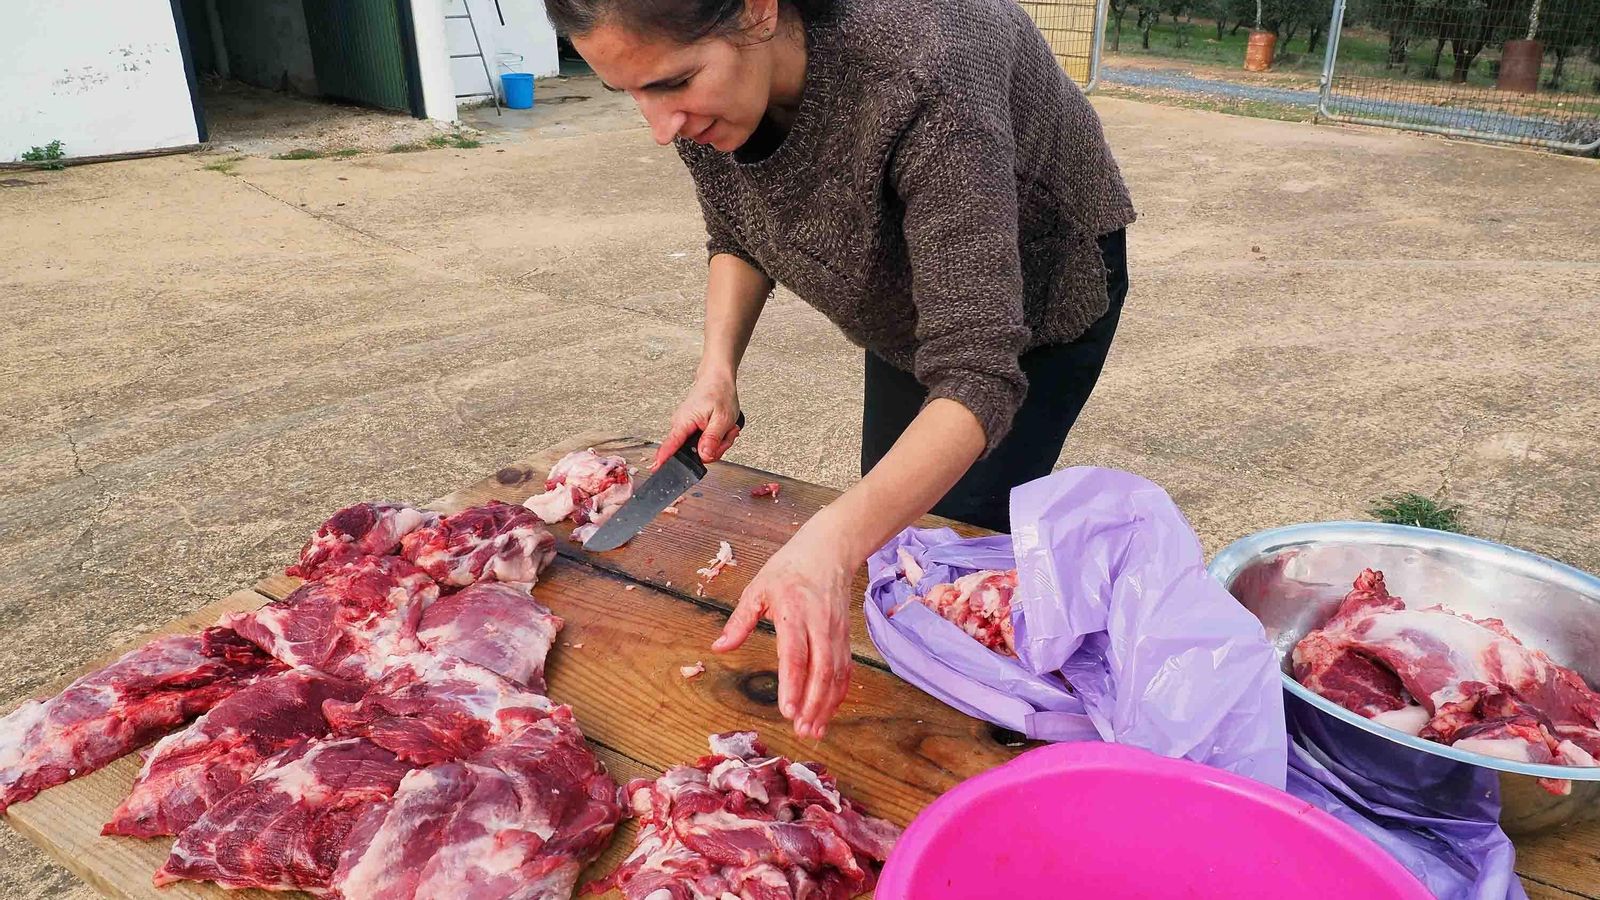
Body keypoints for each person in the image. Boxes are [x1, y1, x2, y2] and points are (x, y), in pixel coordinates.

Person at [547, 0, 1135, 740]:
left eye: (672, 84)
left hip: (1042, 287)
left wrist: (829, 543)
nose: (660, 128)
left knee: (949, 546)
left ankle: (964, 752)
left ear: (758, 10)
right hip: (913, 306)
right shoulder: (713, 93)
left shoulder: (925, 71)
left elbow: (978, 373)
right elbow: (736, 226)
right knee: (881, 524)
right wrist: (716, 372)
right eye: (629, 93)